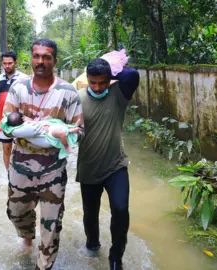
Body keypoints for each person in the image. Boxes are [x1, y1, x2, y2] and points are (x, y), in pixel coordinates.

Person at [3, 38, 84, 270]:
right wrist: (31, 129)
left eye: (46, 57)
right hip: (21, 166)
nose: (41, 61)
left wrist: (59, 132)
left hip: (53, 169)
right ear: (31, 59)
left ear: (54, 60)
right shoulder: (18, 88)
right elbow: (7, 123)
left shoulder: (68, 93)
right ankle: (27, 237)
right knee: (16, 212)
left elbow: (80, 131)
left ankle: (43, 265)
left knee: (51, 225)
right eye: (37, 56)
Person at [76, 50, 139, 270]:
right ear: (87, 80)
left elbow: (132, 75)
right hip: (89, 168)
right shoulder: (77, 99)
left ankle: (115, 258)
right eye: (93, 82)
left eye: (102, 82)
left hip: (116, 166)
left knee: (121, 210)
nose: (97, 87)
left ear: (110, 80)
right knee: (90, 215)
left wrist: (112, 70)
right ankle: (92, 246)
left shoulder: (118, 94)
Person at [0, 50, 28, 176]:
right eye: (5, 63)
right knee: (6, 148)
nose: (7, 66)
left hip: (21, 121)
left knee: (23, 148)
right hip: (3, 121)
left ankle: (24, 175)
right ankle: (10, 176)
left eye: (10, 63)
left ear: (15, 63)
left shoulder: (24, 79)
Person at [1, 111, 80, 158]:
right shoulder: (23, 128)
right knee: (61, 132)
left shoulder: (20, 129)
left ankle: (67, 144)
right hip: (47, 132)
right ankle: (69, 131)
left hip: (48, 132)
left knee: (61, 133)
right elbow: (34, 125)